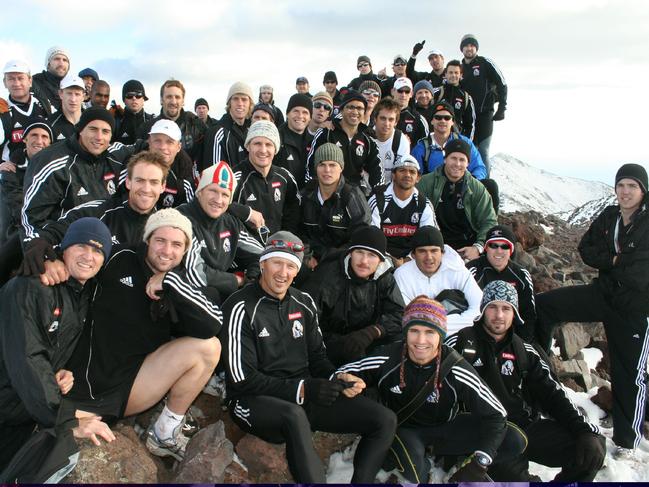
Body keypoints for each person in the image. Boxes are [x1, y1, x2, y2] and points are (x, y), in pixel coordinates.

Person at [221, 232, 397, 483]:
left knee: (384, 420)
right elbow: (241, 380)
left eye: (291, 265)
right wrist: (304, 388)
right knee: (294, 415)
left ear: (297, 271)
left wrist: (336, 378)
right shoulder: (240, 306)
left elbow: (317, 357)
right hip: (253, 402)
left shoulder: (303, 302)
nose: (283, 272)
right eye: (276, 263)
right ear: (262, 264)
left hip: (302, 393)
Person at [61, 209, 222, 461]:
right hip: (81, 381)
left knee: (209, 348)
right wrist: (47, 256)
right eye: (160, 241)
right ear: (147, 240)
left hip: (131, 386)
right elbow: (78, 258)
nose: (167, 251)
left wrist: (170, 283)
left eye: (177, 244)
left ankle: (164, 433)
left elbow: (213, 325)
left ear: (185, 250)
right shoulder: (119, 257)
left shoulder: (180, 282)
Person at [337, 296, 525, 483]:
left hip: (447, 427)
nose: (421, 341)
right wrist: (347, 380)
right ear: (406, 332)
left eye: (430, 332)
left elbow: (497, 413)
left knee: (515, 439)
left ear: (440, 336)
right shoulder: (388, 357)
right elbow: (342, 372)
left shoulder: (455, 367)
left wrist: (481, 462)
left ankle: (457, 466)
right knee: (415, 473)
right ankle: (426, 465)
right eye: (414, 331)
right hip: (405, 429)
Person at [535, 163, 649, 457]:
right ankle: (537, 382)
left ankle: (627, 440)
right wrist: (615, 261)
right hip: (603, 293)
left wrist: (614, 263)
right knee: (545, 306)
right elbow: (586, 249)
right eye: (621, 185)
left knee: (628, 372)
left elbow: (642, 273)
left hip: (634, 307)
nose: (625, 192)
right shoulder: (610, 216)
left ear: (643, 190)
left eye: (632, 186)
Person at [448, 280, 606, 482]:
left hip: (526, 427)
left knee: (593, 448)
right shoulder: (459, 344)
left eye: (506, 308)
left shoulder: (525, 351)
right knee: (516, 479)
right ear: (482, 310)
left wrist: (584, 431)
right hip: (486, 433)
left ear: (514, 314)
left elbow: (553, 394)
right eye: (493, 307)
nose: (499, 315)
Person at [0, 218, 115, 470]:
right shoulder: (32, 286)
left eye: (97, 250)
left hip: (20, 413)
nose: (88, 256)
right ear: (63, 249)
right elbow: (28, 357)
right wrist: (66, 419)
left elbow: (44, 347)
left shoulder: (80, 295)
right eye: (81, 246)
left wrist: (56, 372)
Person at [22, 107, 127, 245]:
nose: (99, 137)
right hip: (65, 244)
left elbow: (145, 146)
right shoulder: (52, 162)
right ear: (80, 130)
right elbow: (31, 220)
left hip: (103, 243)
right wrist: (46, 253)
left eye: (105, 131)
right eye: (93, 129)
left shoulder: (115, 156)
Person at [301, 226, 404, 366]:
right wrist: (339, 343)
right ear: (350, 253)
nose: (364, 261)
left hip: (367, 339)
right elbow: (307, 319)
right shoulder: (327, 276)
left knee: (401, 340)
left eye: (372, 255)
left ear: (380, 260)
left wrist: (374, 331)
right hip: (330, 342)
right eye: (359, 252)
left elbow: (399, 314)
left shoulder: (384, 277)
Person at [179, 161, 263, 303]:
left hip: (222, 292)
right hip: (190, 297)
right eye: (213, 191)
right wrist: (237, 280)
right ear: (200, 192)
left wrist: (252, 277)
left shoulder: (230, 222)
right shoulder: (181, 220)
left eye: (225, 194)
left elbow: (262, 256)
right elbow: (196, 274)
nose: (218, 200)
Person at [416, 138, 497, 261]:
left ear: (468, 163)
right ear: (445, 159)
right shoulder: (426, 183)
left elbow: (489, 221)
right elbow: (414, 215)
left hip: (467, 247)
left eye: (462, 160)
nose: (457, 164)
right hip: (434, 244)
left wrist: (477, 247)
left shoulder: (477, 188)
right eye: (453, 158)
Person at [394, 226, 482, 335]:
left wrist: (439, 326)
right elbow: (405, 316)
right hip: (417, 337)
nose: (429, 257)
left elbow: (478, 310)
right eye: (422, 251)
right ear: (413, 255)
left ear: (442, 253)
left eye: (434, 251)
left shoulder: (458, 271)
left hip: (458, 334)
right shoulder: (402, 275)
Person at [299, 143, 370, 267]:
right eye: (322, 165)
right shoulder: (306, 195)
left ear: (341, 167)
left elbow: (361, 236)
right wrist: (307, 256)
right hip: (309, 261)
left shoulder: (351, 196)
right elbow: (296, 231)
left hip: (342, 261)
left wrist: (330, 259)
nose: (327, 170)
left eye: (332, 165)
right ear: (316, 167)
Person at [466, 225, 537, 341]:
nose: (499, 251)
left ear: (511, 250)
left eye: (504, 246)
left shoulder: (521, 275)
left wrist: (522, 343)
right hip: (476, 333)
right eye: (494, 245)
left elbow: (528, 314)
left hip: (511, 335)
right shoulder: (472, 270)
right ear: (486, 248)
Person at [306, 90, 384, 195]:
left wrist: (379, 196)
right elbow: (311, 165)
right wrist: (313, 192)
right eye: (350, 107)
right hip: (328, 192)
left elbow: (377, 171)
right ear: (342, 110)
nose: (355, 112)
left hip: (355, 194)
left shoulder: (368, 140)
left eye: (360, 108)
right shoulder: (327, 132)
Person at [232, 120, 300, 234]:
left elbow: (294, 214)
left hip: (278, 247)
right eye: (257, 143)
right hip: (245, 249)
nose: (263, 150)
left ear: (276, 149)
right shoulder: (234, 178)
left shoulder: (285, 177)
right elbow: (217, 204)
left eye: (268, 144)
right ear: (248, 146)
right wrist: (246, 212)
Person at [369, 155, 437, 266]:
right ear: (393, 175)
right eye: (402, 170)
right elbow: (371, 238)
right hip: (381, 258)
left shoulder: (424, 204)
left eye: (412, 172)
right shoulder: (378, 200)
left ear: (418, 178)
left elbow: (429, 240)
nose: (407, 175)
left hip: (414, 260)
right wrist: (390, 260)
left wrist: (407, 260)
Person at [459, 34, 507, 175]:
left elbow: (502, 83)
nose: (469, 48)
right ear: (462, 49)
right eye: (466, 46)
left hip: (485, 114)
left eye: (472, 45)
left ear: (476, 48)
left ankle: (485, 184)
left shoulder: (485, 63)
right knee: (467, 150)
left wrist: (502, 108)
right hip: (467, 117)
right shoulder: (459, 68)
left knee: (483, 151)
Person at [139, 80, 205, 162]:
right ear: (161, 100)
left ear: (183, 101)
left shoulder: (196, 126)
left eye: (177, 97)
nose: (173, 102)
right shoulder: (147, 128)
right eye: (169, 97)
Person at [0, 60, 51, 162]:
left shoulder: (44, 104)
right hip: (13, 172)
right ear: (4, 83)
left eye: (20, 78)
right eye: (11, 79)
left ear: (30, 81)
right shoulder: (2, 110)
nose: (16, 83)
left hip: (43, 167)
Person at [201, 82, 253, 170]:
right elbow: (214, 174)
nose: (240, 103)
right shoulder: (217, 132)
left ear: (250, 104)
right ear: (229, 103)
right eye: (235, 99)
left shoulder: (250, 131)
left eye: (244, 99)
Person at [434, 60, 476, 140]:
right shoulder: (437, 93)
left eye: (456, 73)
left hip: (456, 139)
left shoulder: (466, 97)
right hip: (437, 138)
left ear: (461, 75)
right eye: (450, 72)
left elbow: (470, 125)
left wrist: (467, 144)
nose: (453, 75)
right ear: (445, 74)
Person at [276, 94, 312, 186]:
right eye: (295, 111)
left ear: (310, 118)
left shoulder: (313, 141)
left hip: (307, 196)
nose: (300, 116)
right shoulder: (276, 139)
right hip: (282, 196)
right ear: (287, 113)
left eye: (305, 112)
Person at [371, 96, 410, 180]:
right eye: (383, 118)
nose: (386, 123)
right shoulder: (366, 138)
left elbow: (401, 174)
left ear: (396, 122)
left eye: (391, 119)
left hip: (391, 189)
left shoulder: (401, 141)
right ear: (375, 119)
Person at [113, 80, 153, 145]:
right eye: (129, 95)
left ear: (143, 99)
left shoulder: (153, 121)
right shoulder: (116, 122)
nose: (134, 98)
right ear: (124, 100)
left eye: (138, 95)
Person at [391, 77, 429, 146]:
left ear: (411, 94)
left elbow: (425, 147)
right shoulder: (382, 114)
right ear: (393, 91)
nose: (403, 95)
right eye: (400, 91)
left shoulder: (418, 118)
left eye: (407, 91)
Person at [32, 46, 70, 111]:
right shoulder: (34, 83)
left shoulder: (73, 85)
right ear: (48, 63)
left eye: (65, 60)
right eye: (57, 59)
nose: (61, 63)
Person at [47, 74, 85, 140]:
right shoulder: (50, 124)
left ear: (83, 97)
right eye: (69, 93)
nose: (73, 99)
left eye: (77, 94)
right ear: (60, 94)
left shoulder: (92, 121)